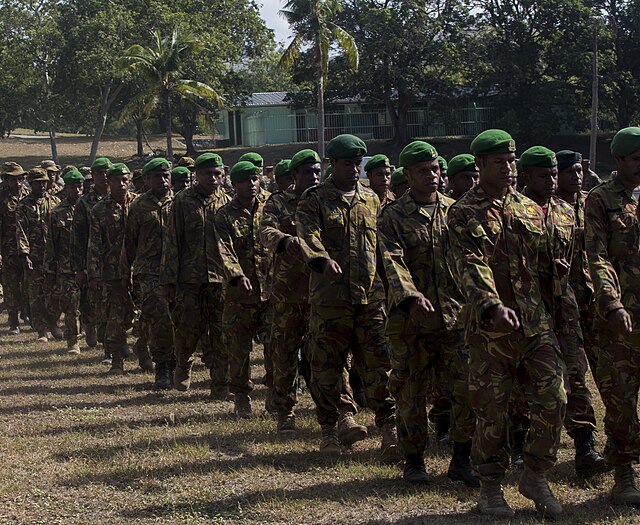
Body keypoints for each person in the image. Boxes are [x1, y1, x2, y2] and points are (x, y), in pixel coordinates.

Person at [447, 129, 566, 518]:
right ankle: (490, 487)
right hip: (490, 330)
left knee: (554, 400)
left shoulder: (529, 208)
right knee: (492, 412)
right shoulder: (463, 212)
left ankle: (534, 473)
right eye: (500, 162)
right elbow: (469, 264)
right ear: (479, 165)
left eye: (512, 161)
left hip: (536, 325)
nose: (509, 168)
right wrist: (491, 304)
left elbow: (546, 265)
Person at [378, 140, 475, 484]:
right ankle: (414, 459)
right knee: (411, 393)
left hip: (455, 318)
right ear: (408, 174)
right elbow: (392, 261)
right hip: (411, 322)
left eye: (436, 169)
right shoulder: (392, 216)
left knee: (466, 389)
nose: (433, 176)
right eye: (424, 171)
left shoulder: (456, 211)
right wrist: (410, 295)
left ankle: (462, 457)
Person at [296, 134, 397, 456]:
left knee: (380, 366)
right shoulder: (314, 200)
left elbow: (383, 246)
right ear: (331, 165)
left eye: (358, 164)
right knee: (327, 366)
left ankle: (390, 429)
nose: (354, 170)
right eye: (347, 164)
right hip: (331, 299)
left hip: (370, 298)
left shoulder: (371, 200)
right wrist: (320, 258)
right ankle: (334, 425)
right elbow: (307, 233)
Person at [519, 146, 607, 479]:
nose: (557, 180)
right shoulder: (512, 211)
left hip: (566, 306)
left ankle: (585, 445)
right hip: (527, 311)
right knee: (529, 384)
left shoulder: (565, 211)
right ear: (527, 176)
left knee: (575, 376)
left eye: (558, 173)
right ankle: (520, 444)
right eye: (549, 174)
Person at [585, 126, 640, 505]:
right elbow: (597, 256)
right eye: (636, 159)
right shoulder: (601, 200)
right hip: (620, 320)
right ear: (618, 160)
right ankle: (624, 474)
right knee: (620, 401)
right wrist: (611, 302)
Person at [259, 149, 323, 435]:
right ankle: (285, 411)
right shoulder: (279, 202)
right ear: (294, 175)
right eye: (308, 172)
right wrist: (286, 239)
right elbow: (265, 231)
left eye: (317, 171)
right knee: (284, 354)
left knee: (325, 354)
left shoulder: (325, 200)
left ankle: (333, 412)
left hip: (322, 291)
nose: (314, 177)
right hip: (288, 292)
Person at [160, 152, 230, 397]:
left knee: (221, 331)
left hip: (220, 278)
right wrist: (169, 279)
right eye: (208, 174)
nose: (213, 178)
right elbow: (172, 241)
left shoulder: (226, 201)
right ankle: (183, 362)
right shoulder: (182, 201)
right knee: (187, 328)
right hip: (189, 278)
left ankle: (220, 383)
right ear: (196, 175)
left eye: (217, 174)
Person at [215, 161, 271, 417]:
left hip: (271, 291)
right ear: (234, 184)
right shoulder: (224, 215)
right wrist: (236, 274)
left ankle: (276, 393)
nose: (252, 184)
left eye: (255, 178)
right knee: (239, 348)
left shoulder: (270, 207)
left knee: (276, 346)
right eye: (245, 180)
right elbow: (223, 248)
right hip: (240, 295)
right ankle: (241, 396)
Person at [122, 158, 175, 388]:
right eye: (157, 177)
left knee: (177, 319)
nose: (163, 181)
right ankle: (162, 367)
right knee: (160, 316)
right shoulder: (139, 207)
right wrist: (130, 273)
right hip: (150, 271)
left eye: (166, 176)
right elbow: (130, 243)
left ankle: (177, 363)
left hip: (177, 271)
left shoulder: (180, 202)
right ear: (146, 180)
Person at [87, 163, 136, 374]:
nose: (122, 185)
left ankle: (144, 349)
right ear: (110, 182)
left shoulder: (140, 204)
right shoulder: (99, 209)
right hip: (112, 271)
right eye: (117, 180)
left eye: (125, 180)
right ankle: (116, 359)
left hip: (140, 268)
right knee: (115, 316)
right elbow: (95, 244)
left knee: (145, 313)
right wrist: (94, 273)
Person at [16, 167, 61, 342]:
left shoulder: (56, 202)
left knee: (55, 293)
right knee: (35, 294)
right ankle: (41, 330)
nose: (42, 186)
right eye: (37, 183)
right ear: (31, 184)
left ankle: (53, 321)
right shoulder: (23, 206)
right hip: (34, 257)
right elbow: (21, 231)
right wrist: (24, 254)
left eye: (44, 182)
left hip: (54, 256)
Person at [44, 169, 84, 354]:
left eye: (80, 186)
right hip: (66, 267)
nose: (77, 190)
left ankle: (90, 330)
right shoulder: (57, 212)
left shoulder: (90, 208)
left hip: (88, 265)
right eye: (73, 187)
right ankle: (73, 341)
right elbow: (51, 244)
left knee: (90, 304)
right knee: (71, 305)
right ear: (65, 188)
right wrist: (50, 270)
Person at [74, 157, 111, 354]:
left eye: (107, 172)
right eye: (100, 173)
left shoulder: (121, 196)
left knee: (113, 303)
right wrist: (80, 267)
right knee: (94, 300)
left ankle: (113, 344)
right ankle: (91, 325)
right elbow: (78, 237)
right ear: (94, 176)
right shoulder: (84, 202)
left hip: (116, 258)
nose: (105, 177)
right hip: (93, 258)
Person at [0, 162, 29, 334]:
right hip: (8, 248)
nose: (18, 183)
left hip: (27, 249)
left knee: (27, 283)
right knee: (11, 285)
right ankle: (13, 321)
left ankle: (27, 312)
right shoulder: (1, 198)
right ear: (6, 180)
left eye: (20, 179)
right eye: (14, 180)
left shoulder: (28, 194)